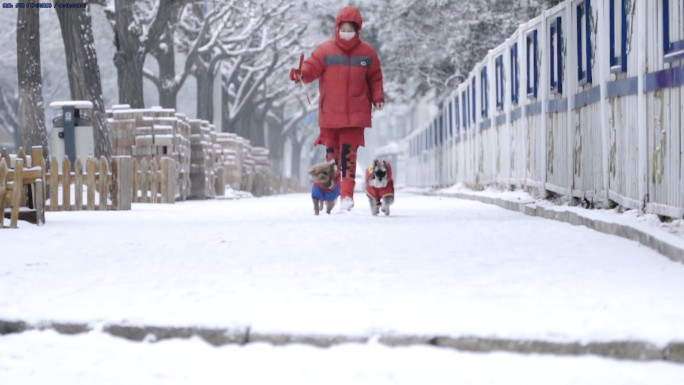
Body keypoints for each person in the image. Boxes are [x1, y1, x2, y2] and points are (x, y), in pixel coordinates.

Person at [290, 5, 384, 211]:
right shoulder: (325, 51)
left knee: (348, 158)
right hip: (330, 116)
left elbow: (375, 77)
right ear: (337, 27)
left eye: (351, 29)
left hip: (355, 116)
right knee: (332, 160)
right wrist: (301, 74)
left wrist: (378, 97)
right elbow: (311, 67)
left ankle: (347, 197)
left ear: (358, 29)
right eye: (344, 28)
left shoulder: (367, 53)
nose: (347, 33)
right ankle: (330, 194)